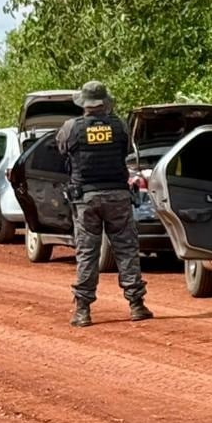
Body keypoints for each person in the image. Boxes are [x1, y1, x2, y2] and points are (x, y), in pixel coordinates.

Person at [56, 80, 152, 327]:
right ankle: (137, 305)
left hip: (86, 199)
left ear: (84, 103)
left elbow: (61, 150)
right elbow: (126, 150)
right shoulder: (120, 125)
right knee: (127, 249)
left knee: (87, 253)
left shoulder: (70, 127)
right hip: (118, 196)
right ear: (105, 102)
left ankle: (83, 311)